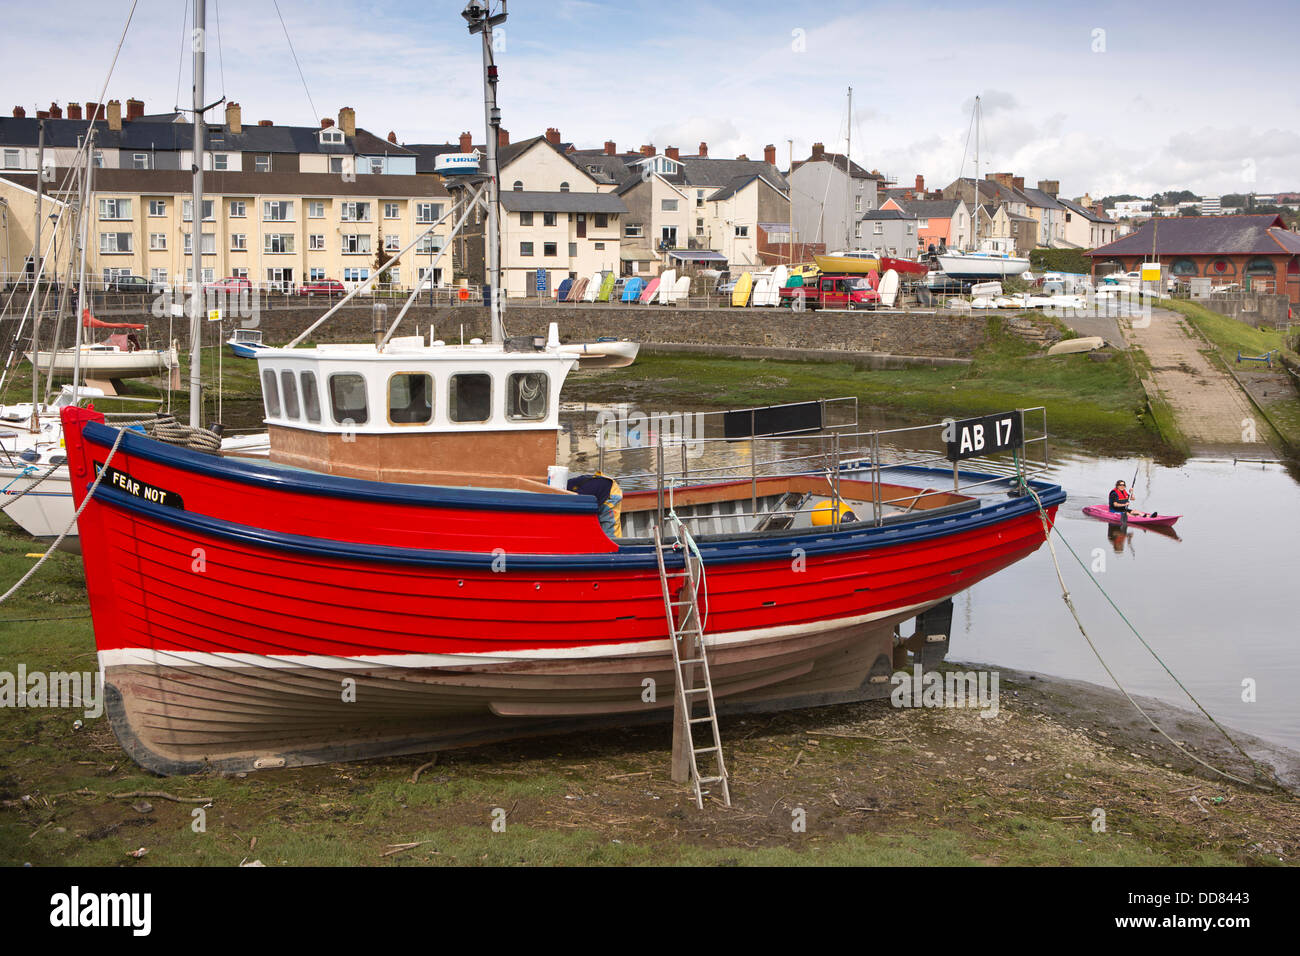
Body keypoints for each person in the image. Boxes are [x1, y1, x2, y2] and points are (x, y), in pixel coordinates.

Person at [566, 473, 623, 537]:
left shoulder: (578, 496)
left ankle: (614, 544)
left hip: (610, 491)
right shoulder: (566, 488)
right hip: (596, 488)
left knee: (610, 531)